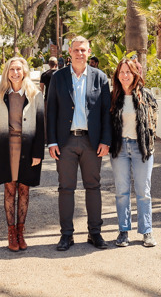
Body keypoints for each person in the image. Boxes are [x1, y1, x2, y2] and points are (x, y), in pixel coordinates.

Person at [46, 35, 112, 251]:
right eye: (76, 50)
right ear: (70, 53)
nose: (80, 53)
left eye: (83, 50)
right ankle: (66, 235)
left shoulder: (100, 78)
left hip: (91, 143)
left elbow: (105, 113)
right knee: (66, 188)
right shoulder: (59, 77)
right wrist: (52, 142)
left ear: (88, 51)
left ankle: (95, 233)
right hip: (65, 143)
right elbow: (51, 110)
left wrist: (105, 140)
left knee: (93, 187)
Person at [0, 57, 44, 251]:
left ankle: (21, 232)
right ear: (7, 72)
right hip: (6, 146)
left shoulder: (35, 94)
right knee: (9, 190)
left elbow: (41, 124)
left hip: (27, 147)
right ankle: (11, 232)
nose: (15, 73)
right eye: (12, 69)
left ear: (25, 72)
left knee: (24, 190)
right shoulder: (0, 94)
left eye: (18, 69)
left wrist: (38, 152)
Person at [109, 56, 158, 248]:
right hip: (119, 148)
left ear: (135, 74)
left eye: (128, 72)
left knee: (143, 191)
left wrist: (148, 143)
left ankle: (147, 231)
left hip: (141, 148)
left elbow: (154, 122)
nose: (124, 75)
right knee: (122, 191)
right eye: (121, 72)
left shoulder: (146, 96)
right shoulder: (113, 97)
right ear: (117, 75)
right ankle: (123, 231)